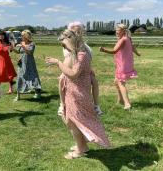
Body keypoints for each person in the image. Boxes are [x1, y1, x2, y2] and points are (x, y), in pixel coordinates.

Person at [46, 30, 110, 159]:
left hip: (78, 94)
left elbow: (73, 74)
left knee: (73, 121)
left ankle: (80, 150)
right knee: (71, 121)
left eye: (64, 44)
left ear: (70, 41)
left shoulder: (81, 55)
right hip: (73, 93)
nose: (63, 47)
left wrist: (58, 62)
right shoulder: (75, 54)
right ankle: (81, 145)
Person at [100, 23, 140, 110]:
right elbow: (132, 47)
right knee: (116, 82)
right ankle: (121, 100)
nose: (116, 32)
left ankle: (127, 104)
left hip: (123, 64)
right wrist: (137, 53)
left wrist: (104, 50)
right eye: (116, 30)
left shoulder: (123, 40)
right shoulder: (128, 38)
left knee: (121, 83)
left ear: (123, 31)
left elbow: (114, 51)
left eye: (118, 30)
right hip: (125, 63)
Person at [13, 30, 41, 101]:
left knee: (33, 76)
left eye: (22, 35)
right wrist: (12, 48)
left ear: (26, 36)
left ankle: (37, 92)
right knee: (20, 77)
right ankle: (18, 96)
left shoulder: (32, 44)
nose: (21, 36)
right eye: (21, 35)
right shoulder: (22, 43)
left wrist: (23, 46)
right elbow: (19, 51)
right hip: (22, 63)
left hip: (30, 63)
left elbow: (29, 52)